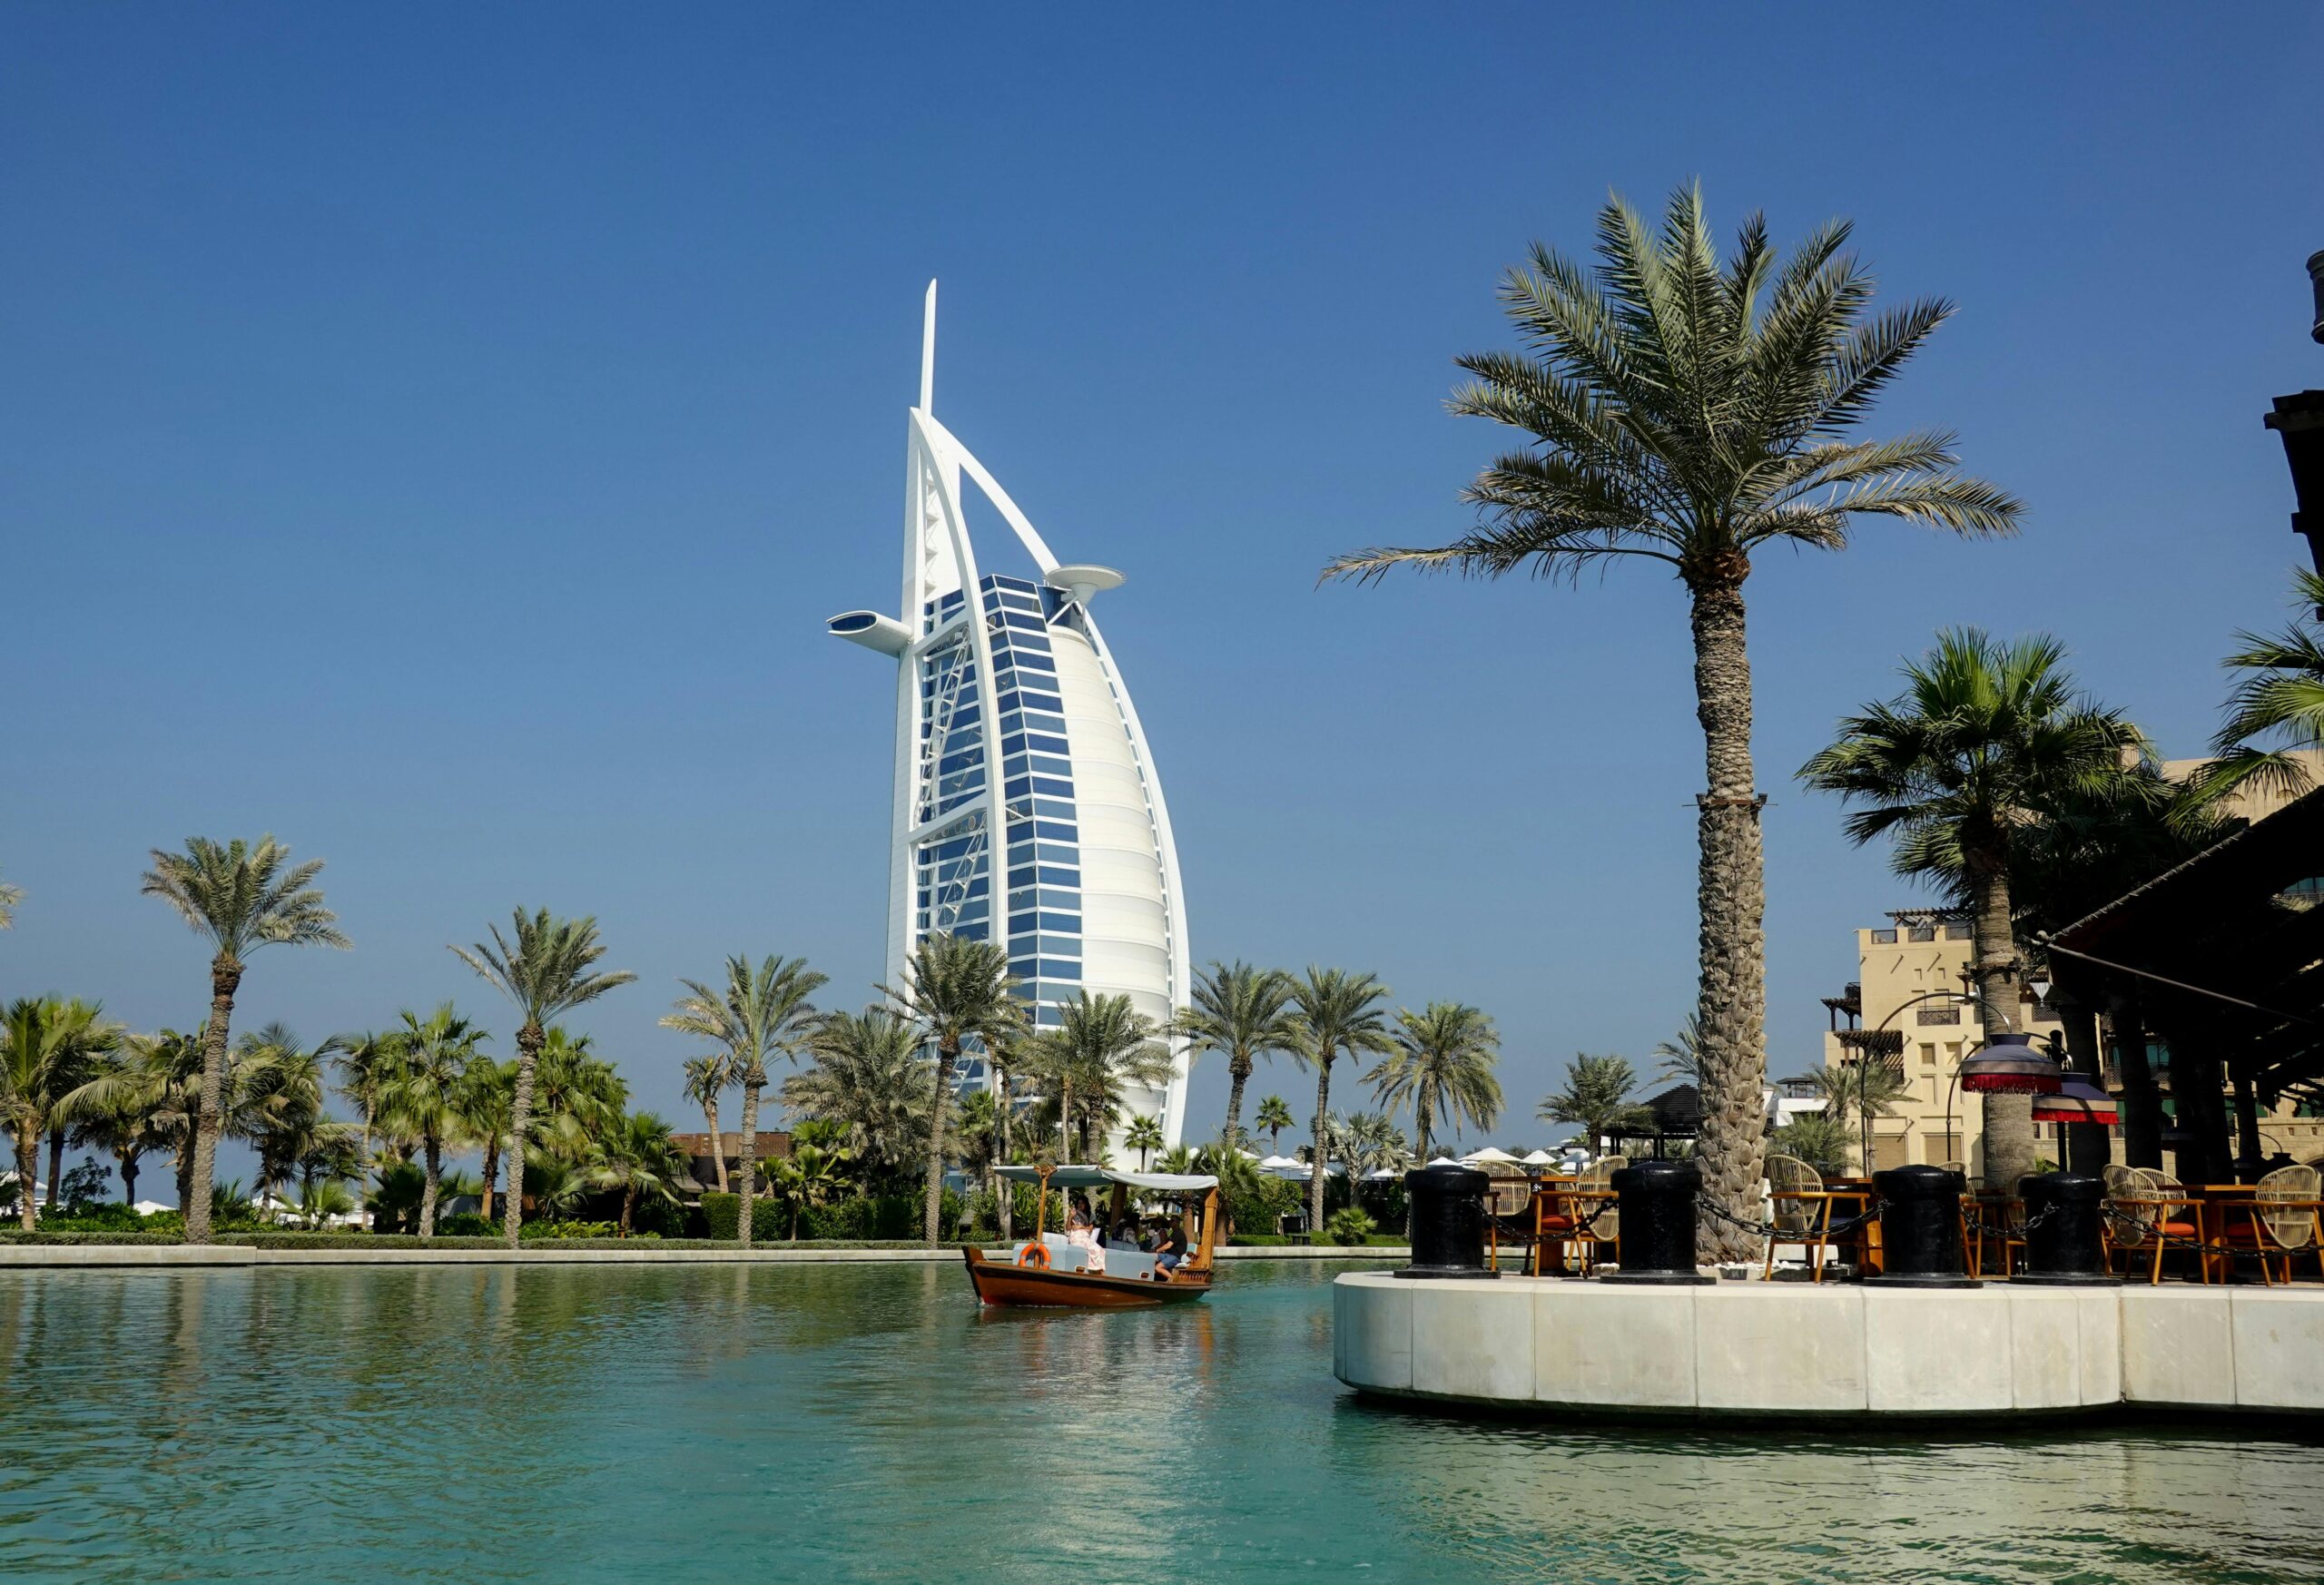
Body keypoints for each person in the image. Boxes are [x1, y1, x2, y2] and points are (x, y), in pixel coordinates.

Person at [1062, 1205, 1106, 1274]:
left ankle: (1098, 1270)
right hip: (1076, 1238)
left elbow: (1090, 1229)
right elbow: (1067, 1228)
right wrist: (1070, 1216)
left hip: (1085, 1238)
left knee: (1100, 1250)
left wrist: (1080, 1227)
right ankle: (1100, 1272)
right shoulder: (1072, 1218)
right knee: (1093, 1249)